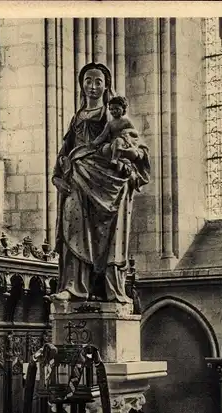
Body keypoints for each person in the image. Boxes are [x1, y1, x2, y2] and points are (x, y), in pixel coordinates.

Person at [51, 62, 150, 303]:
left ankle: (113, 289)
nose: (92, 86)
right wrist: (57, 173)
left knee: (110, 236)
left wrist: (128, 158)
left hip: (109, 182)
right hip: (77, 177)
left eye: (98, 81)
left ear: (106, 86)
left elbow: (135, 145)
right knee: (74, 228)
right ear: (81, 84)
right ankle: (74, 287)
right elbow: (67, 148)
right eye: (88, 80)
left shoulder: (112, 114)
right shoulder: (77, 117)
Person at [91, 95, 139, 173]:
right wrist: (94, 143)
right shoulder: (110, 124)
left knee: (118, 141)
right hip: (113, 144)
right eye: (112, 109)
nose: (114, 111)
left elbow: (136, 133)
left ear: (123, 109)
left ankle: (114, 160)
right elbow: (102, 136)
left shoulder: (126, 121)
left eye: (117, 109)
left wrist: (128, 131)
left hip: (124, 142)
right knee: (105, 149)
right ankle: (113, 160)